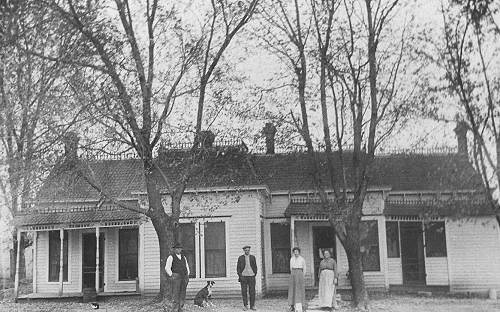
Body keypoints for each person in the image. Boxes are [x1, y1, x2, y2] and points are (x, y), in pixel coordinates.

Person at [165, 243, 190, 312]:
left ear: (181, 249)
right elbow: (167, 268)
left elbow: (187, 266)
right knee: (175, 294)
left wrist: (188, 274)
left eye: (180, 248)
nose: (178, 250)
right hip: (176, 277)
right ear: (174, 249)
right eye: (177, 248)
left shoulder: (183, 257)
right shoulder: (171, 257)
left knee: (182, 293)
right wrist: (172, 275)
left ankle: (180, 308)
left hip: (184, 277)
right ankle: (175, 309)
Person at [237, 245, 258, 311]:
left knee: (252, 291)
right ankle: (245, 305)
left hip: (251, 276)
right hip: (243, 277)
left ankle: (252, 306)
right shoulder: (241, 258)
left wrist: (254, 274)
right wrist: (240, 276)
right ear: (244, 251)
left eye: (248, 250)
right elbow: (238, 268)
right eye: (246, 250)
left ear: (249, 250)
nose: (247, 251)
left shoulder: (252, 257)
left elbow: (255, 267)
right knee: (244, 291)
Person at [288, 247, 306, 312]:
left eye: (297, 251)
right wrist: (293, 273)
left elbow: (304, 268)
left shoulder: (302, 259)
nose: (296, 253)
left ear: (299, 252)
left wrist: (302, 276)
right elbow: (291, 268)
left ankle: (301, 306)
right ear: (293, 252)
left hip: (300, 273)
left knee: (300, 289)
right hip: (293, 273)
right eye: (294, 252)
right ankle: (292, 305)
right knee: (292, 289)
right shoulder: (292, 259)